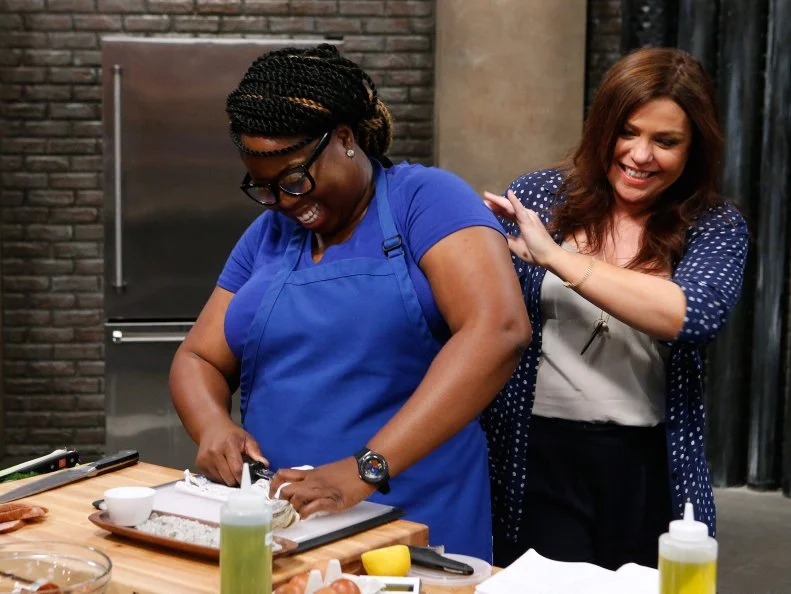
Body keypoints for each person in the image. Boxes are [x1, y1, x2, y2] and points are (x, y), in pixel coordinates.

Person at [169, 44, 531, 560]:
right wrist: (212, 425)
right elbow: (197, 357)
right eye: (266, 188)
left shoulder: (425, 199)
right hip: (284, 531)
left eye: (296, 177)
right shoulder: (268, 234)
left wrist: (366, 468)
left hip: (415, 528)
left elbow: (498, 329)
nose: (287, 201)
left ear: (344, 139)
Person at [481, 47, 749, 569]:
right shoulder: (540, 196)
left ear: (694, 149)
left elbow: (690, 314)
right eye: (628, 132)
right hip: (536, 452)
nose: (641, 155)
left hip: (645, 461)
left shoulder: (713, 224)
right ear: (603, 128)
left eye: (666, 141)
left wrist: (555, 259)